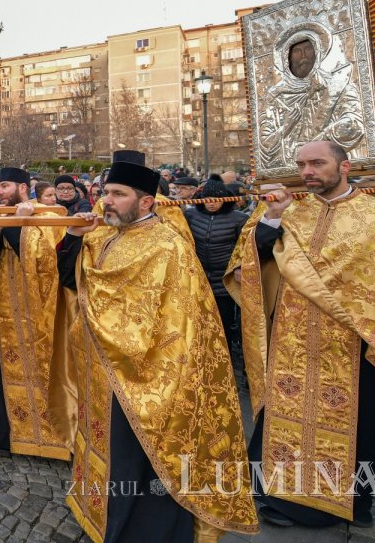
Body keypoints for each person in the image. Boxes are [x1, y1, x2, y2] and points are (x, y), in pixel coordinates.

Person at [232, 140, 375, 528]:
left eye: (317, 163)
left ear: (345, 166)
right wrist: (271, 220)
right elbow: (246, 268)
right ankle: (279, 498)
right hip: (292, 346)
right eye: (301, 164)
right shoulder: (285, 211)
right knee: (284, 424)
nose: (307, 172)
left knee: (357, 431)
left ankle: (351, 505)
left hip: (355, 349)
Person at [58, 156, 257, 543]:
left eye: (118, 194)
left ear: (146, 202)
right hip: (101, 368)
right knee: (109, 450)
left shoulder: (168, 247)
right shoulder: (101, 235)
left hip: (147, 373)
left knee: (139, 460)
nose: (106, 201)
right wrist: (73, 237)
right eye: (104, 193)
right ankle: (101, 517)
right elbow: (72, 283)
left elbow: (180, 323)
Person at [0, 165, 75, 459]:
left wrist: (17, 227)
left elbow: (46, 262)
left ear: (23, 188)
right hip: (5, 313)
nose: (0, 192)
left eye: (6, 186)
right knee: (4, 375)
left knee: (45, 373)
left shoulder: (47, 217)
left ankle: (57, 440)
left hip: (38, 315)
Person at [184, 175, 250, 385]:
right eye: (207, 198)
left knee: (223, 324)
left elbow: (244, 248)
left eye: (216, 198)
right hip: (199, 279)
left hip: (224, 282)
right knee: (199, 323)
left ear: (225, 199)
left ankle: (226, 366)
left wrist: (238, 268)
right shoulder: (191, 215)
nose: (211, 202)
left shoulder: (238, 219)